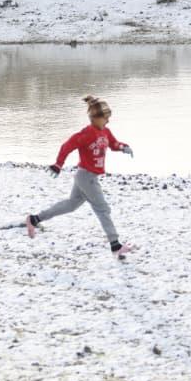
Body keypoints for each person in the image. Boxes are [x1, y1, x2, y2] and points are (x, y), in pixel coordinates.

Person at [23, 95, 134, 258]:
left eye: (109, 118)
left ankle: (34, 219)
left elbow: (114, 144)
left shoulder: (105, 131)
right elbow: (67, 146)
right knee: (102, 209)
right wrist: (58, 164)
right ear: (95, 118)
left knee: (71, 205)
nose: (108, 121)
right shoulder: (87, 133)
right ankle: (115, 245)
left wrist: (124, 147)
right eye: (105, 118)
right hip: (86, 176)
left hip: (87, 177)